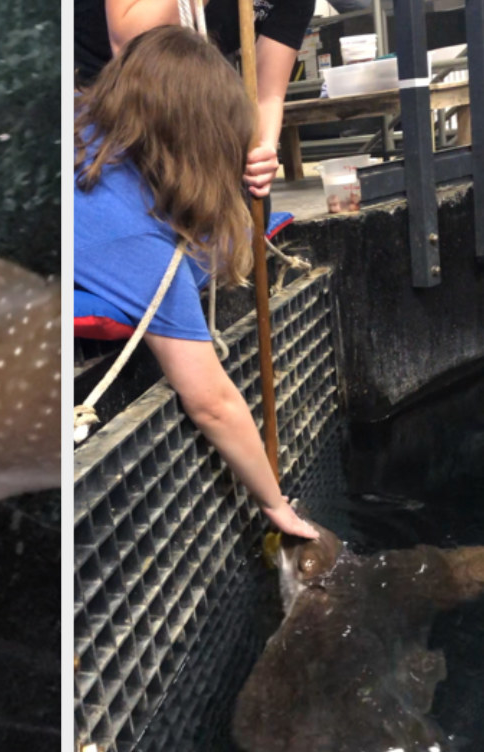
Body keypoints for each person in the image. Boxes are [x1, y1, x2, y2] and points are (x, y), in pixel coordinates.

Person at [75, 26, 319, 540]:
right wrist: (275, 504)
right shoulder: (135, 244)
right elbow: (212, 402)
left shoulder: (84, 131)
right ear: (202, 143)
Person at [75, 0, 315, 199]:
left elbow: (268, 95)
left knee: (248, 198)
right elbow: (127, 41)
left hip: (180, 93)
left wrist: (263, 151)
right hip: (97, 85)